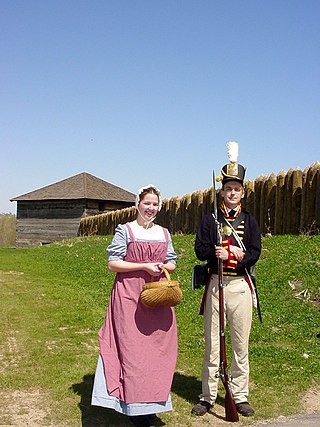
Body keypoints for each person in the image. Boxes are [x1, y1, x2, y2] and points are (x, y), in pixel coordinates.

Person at [91, 184, 178, 427]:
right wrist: (143, 265)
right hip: (128, 297)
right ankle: (133, 406)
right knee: (133, 352)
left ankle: (151, 404)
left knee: (158, 352)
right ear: (137, 204)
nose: (151, 208)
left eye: (155, 204)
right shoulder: (126, 230)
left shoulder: (164, 232)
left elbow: (171, 263)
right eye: (147, 203)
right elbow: (113, 264)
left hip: (156, 298)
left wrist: (161, 266)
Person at [192, 142, 261, 418]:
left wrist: (236, 253)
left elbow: (255, 251)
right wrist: (215, 252)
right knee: (212, 345)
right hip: (215, 286)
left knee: (239, 344)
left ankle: (240, 395)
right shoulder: (210, 219)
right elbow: (199, 249)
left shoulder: (249, 220)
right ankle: (208, 396)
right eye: (228, 188)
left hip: (240, 286)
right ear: (221, 191)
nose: (232, 193)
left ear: (242, 192)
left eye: (237, 189)